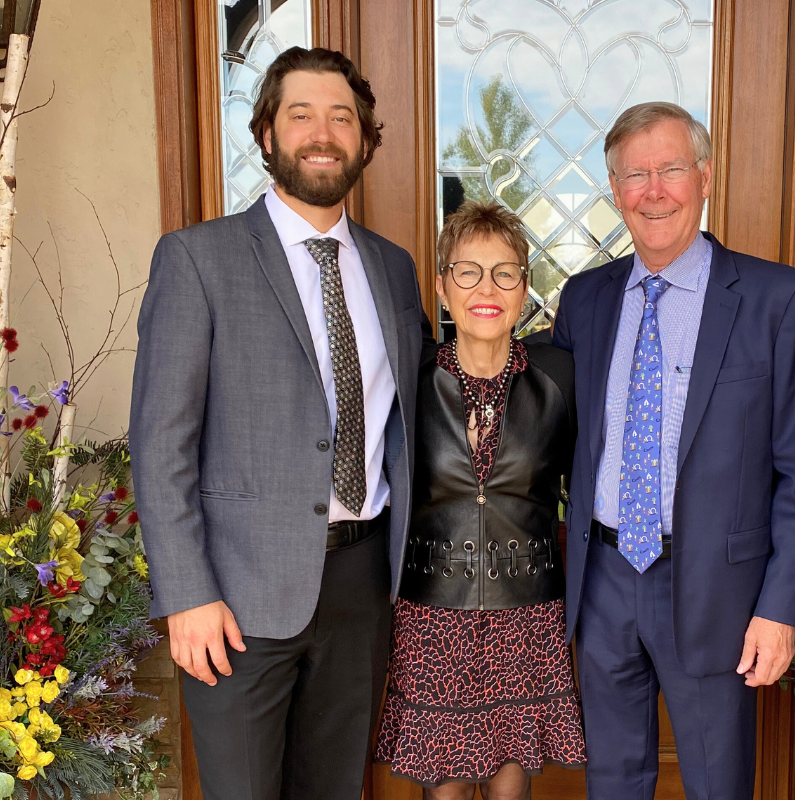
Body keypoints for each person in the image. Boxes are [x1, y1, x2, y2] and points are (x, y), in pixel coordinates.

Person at [129, 47, 431, 800]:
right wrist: (187, 594)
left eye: (341, 117)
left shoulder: (393, 269)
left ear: (364, 140)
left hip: (361, 587)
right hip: (235, 598)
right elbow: (161, 442)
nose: (322, 133)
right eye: (301, 115)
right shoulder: (199, 259)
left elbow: (411, 420)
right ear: (266, 135)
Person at [550, 102, 795, 799]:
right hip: (604, 578)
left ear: (705, 175)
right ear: (615, 190)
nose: (654, 190)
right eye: (635, 174)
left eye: (670, 169)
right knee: (612, 780)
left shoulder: (776, 298)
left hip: (718, 590)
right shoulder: (584, 300)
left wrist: (780, 607)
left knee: (715, 783)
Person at [373, 201, 586, 799]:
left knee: (508, 792)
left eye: (504, 273)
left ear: (525, 290)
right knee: (445, 793)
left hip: (527, 614)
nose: (485, 289)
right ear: (442, 289)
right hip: (432, 616)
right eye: (467, 271)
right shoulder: (406, 382)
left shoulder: (561, 380)